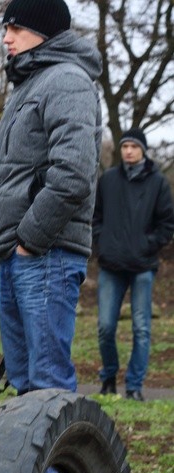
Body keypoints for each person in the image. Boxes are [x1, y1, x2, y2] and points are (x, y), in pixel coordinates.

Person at [0, 0, 102, 473]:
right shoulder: (28, 86)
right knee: (26, 382)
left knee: (48, 382)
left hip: (48, 254)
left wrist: (30, 241)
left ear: (44, 32)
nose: (6, 36)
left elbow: (73, 175)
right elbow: (7, 185)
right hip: (17, 257)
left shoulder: (68, 81)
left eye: (16, 27)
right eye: (6, 26)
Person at [93, 128, 174, 401]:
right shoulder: (108, 180)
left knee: (141, 328)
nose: (128, 150)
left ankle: (134, 386)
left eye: (133, 146)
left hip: (142, 266)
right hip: (111, 264)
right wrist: (102, 241)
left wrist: (146, 244)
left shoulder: (158, 182)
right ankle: (108, 379)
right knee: (105, 326)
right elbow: (95, 216)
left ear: (143, 150)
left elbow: (167, 225)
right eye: (125, 145)